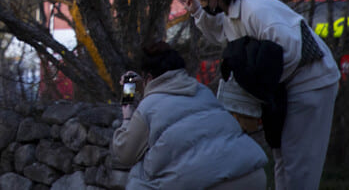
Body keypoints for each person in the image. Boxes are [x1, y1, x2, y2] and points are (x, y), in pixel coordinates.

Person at [185, 0, 340, 190]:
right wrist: (198, 12)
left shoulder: (256, 10)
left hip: (311, 82)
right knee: (283, 157)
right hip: (290, 84)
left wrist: (258, 87)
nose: (203, 2)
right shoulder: (235, 8)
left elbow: (291, 49)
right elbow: (222, 32)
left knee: (299, 162)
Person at [110, 42, 268, 189]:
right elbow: (168, 92)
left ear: (149, 78)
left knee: (139, 175)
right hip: (251, 174)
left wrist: (127, 118)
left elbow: (125, 154)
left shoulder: (148, 107)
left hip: (210, 182)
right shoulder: (202, 91)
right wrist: (144, 86)